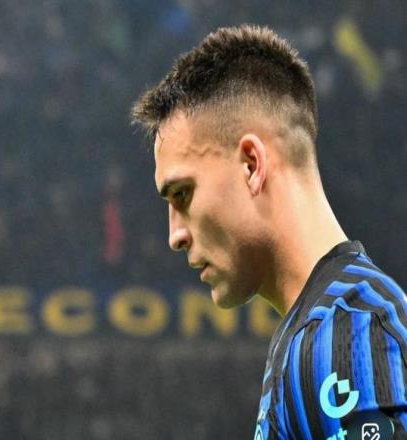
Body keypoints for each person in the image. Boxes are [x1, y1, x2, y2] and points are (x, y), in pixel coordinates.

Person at [131, 25, 406, 439]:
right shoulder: (318, 331)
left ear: (251, 165)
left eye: (182, 194)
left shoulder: (349, 330)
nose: (175, 236)